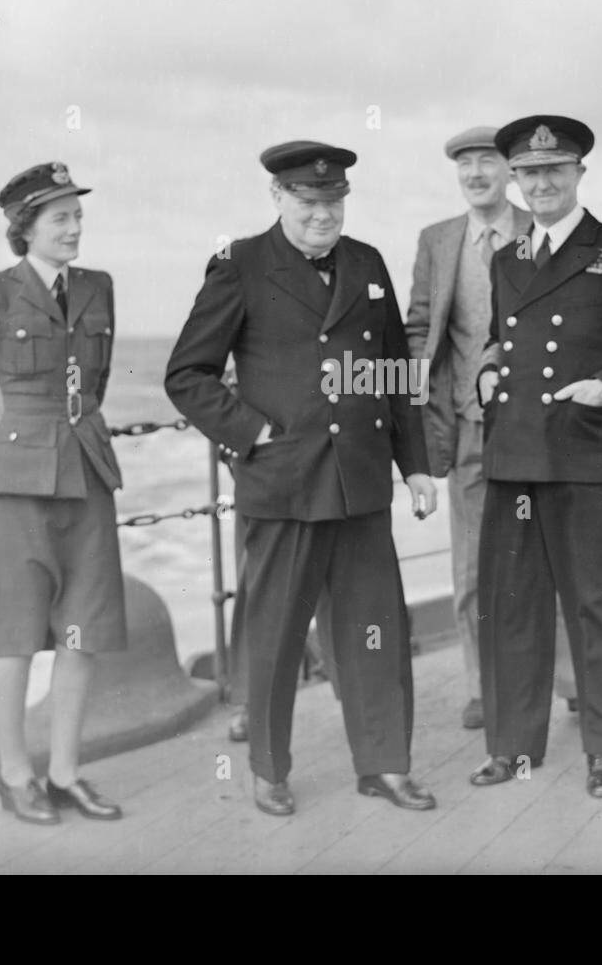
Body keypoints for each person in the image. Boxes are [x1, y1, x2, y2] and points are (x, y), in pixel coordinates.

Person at [165, 141, 439, 816]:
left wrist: (418, 465)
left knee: (377, 631)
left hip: (360, 484)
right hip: (282, 485)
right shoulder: (241, 266)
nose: (323, 213)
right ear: (278, 198)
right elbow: (186, 375)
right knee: (275, 637)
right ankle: (268, 769)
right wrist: (251, 432)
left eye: (333, 201)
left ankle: (385, 765)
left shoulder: (368, 263)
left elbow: (394, 375)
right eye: (309, 201)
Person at [472, 116, 602, 798]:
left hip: (588, 456)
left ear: (579, 175)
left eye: (554, 171)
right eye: (528, 173)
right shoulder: (506, 260)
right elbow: (500, 341)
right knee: (512, 607)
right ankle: (511, 747)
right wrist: (485, 372)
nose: (540, 183)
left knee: (600, 606)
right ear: (515, 178)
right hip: (514, 459)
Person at [0, 161, 126, 825]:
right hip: (20, 484)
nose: (75, 227)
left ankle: (67, 772)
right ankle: (15, 773)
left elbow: (93, 387)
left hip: (89, 475)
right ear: (26, 228)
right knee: (15, 632)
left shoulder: (100, 287)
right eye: (60, 217)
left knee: (84, 629)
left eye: (78, 214)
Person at [406, 125, 574, 730]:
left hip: (540, 426)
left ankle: (570, 681)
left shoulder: (546, 230)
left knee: (553, 553)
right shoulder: (437, 240)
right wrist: (414, 429)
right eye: (465, 165)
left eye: (488, 163)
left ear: (511, 171)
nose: (476, 174)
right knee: (473, 566)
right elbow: (417, 331)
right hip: (466, 428)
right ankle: (483, 684)